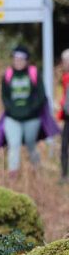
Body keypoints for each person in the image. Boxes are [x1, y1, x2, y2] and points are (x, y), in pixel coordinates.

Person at [1, 45, 46, 180]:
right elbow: (4, 96)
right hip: (12, 117)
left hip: (31, 117)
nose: (18, 61)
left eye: (21, 59)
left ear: (27, 60)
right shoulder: (8, 74)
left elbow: (41, 96)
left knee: (31, 145)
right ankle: (12, 177)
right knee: (13, 146)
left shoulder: (33, 73)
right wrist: (12, 110)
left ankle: (38, 174)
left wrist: (30, 110)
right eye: (15, 58)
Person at [58, 49, 69, 182]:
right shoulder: (65, 77)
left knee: (64, 147)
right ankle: (63, 175)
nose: (63, 64)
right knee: (64, 146)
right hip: (67, 117)